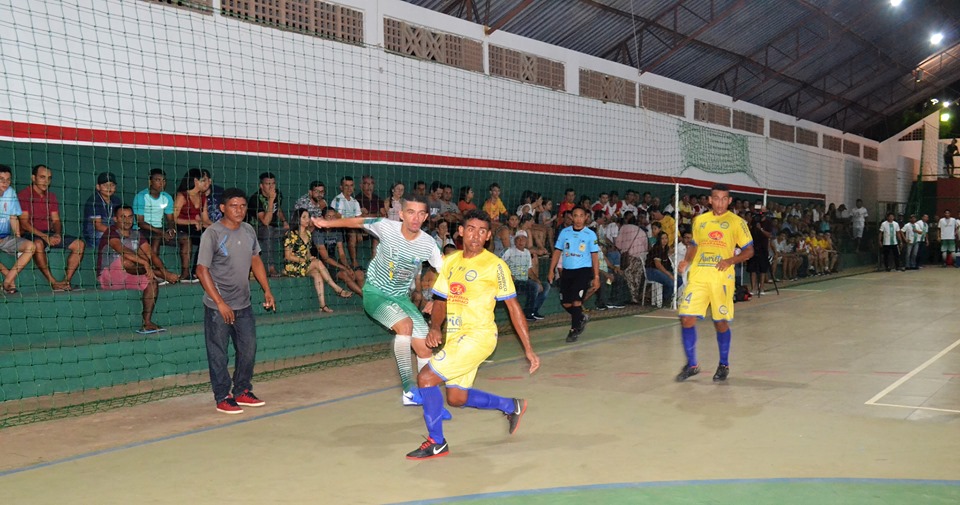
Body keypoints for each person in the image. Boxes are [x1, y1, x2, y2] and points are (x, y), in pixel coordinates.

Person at [406, 209, 540, 460]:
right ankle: (512, 406)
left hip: (480, 337)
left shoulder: (495, 266)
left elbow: (513, 307)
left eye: (481, 231)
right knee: (457, 398)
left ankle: (437, 442)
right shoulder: (450, 262)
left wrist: (528, 349)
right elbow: (440, 301)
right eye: (470, 229)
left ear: (489, 236)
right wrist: (435, 327)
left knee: (426, 379)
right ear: (461, 232)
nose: (475, 235)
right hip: (456, 336)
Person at [312, 194, 447, 408]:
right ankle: (409, 390)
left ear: (426, 217)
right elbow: (357, 221)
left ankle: (430, 401)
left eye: (421, 213)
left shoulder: (428, 244)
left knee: (424, 349)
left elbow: (446, 273)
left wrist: (439, 300)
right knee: (405, 326)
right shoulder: (386, 226)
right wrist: (327, 223)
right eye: (410, 212)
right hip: (375, 294)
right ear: (401, 214)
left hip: (401, 298)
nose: (416, 218)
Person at [196, 188, 275, 414]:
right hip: (218, 308)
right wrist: (220, 303)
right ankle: (223, 396)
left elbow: (255, 259)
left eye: (242, 206)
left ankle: (242, 391)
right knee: (218, 352)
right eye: (233, 206)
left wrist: (266, 290)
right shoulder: (212, 233)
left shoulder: (249, 230)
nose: (239, 210)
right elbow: (201, 270)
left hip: (244, 304)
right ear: (222, 208)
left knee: (248, 349)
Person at [676, 184, 754, 383]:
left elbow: (749, 250)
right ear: (709, 200)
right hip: (699, 276)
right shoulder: (699, 220)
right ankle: (692, 364)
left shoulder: (737, 222)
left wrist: (730, 260)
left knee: (720, 322)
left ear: (729, 201)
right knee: (686, 318)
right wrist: (687, 260)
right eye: (715, 198)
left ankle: (724, 364)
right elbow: (694, 245)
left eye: (723, 199)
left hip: (721, 278)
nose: (719, 202)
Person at [96, 205, 180, 332]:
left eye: (130, 217)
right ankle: (160, 274)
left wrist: (164, 271)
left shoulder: (136, 234)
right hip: (109, 277)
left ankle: (147, 322)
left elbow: (151, 254)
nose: (127, 220)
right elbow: (122, 250)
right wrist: (146, 264)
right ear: (115, 219)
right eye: (122, 217)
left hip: (130, 275)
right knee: (127, 259)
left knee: (152, 283)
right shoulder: (111, 232)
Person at [18, 164, 86, 291]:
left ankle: (66, 282)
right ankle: (54, 283)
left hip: (48, 233)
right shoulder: (24, 195)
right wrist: (44, 237)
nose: (46, 181)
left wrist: (57, 234)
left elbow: (56, 220)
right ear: (33, 178)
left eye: (49, 178)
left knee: (79, 244)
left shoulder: (51, 196)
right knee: (38, 244)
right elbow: (24, 224)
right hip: (30, 234)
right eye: (42, 177)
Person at [284, 208, 352, 313]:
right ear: (298, 219)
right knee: (318, 262)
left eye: (308, 217)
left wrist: (310, 257)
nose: (307, 220)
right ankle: (337, 289)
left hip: (304, 264)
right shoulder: (291, 234)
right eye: (304, 217)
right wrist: (303, 259)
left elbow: (307, 252)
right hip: (292, 265)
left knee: (317, 274)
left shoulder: (308, 234)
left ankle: (323, 306)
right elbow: (287, 256)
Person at [548, 206, 600, 343]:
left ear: (586, 217)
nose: (578, 219)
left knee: (576, 301)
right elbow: (557, 252)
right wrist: (551, 270)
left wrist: (596, 277)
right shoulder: (565, 232)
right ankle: (581, 317)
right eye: (575, 216)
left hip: (583, 271)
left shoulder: (590, 234)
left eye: (581, 216)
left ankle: (573, 330)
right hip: (567, 271)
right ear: (571, 217)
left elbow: (595, 256)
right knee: (566, 303)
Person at [313, 206, 365, 296]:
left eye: (334, 216)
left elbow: (341, 254)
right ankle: (364, 296)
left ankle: (366, 298)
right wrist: (344, 268)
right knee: (344, 274)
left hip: (333, 259)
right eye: (329, 217)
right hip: (320, 263)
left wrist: (348, 266)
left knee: (359, 274)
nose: (332, 219)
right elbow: (325, 258)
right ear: (323, 218)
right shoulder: (318, 233)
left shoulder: (336, 230)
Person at [0, 164, 36, 293]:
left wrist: (18, 236)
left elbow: (13, 216)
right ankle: (10, 283)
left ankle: (7, 281)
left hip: (5, 238)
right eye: (1, 179)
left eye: (8, 179)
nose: (5, 182)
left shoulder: (10, 192)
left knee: (31, 246)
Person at [247, 172, 289, 277]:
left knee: (293, 230)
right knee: (268, 230)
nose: (271, 187)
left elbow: (277, 209)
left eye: (273, 183)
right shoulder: (255, 199)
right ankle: (271, 268)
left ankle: (290, 265)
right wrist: (270, 200)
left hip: (273, 229)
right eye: (268, 184)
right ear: (261, 186)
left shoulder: (277, 194)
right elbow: (265, 222)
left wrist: (285, 222)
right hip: (256, 230)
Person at [502, 230, 550, 321]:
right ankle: (527, 313)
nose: (521, 241)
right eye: (518, 239)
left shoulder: (527, 253)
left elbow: (529, 270)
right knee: (534, 286)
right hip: (513, 282)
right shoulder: (509, 251)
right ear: (515, 241)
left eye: (523, 239)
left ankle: (534, 311)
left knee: (545, 286)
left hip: (525, 281)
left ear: (526, 241)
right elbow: (499, 263)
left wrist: (538, 281)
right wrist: (508, 275)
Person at [173, 168, 212, 282]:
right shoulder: (182, 196)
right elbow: (173, 219)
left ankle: (198, 270)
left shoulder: (202, 197)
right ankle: (188, 273)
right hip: (181, 226)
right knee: (200, 235)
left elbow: (206, 219)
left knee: (210, 235)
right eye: (203, 180)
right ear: (195, 181)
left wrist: (221, 227)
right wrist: (193, 221)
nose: (207, 183)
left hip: (195, 228)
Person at [133, 168, 177, 256]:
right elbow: (140, 223)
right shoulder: (141, 196)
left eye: (164, 180)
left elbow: (170, 220)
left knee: (185, 239)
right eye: (158, 180)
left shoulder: (167, 197)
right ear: (150, 181)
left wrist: (171, 229)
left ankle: (186, 270)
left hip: (159, 229)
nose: (162, 183)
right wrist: (161, 232)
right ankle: (153, 267)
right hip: (142, 230)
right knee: (156, 237)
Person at [330, 176, 364, 271]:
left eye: (351, 185)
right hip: (338, 228)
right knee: (353, 233)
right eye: (346, 186)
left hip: (351, 226)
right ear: (341, 187)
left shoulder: (355, 202)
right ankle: (354, 263)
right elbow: (337, 216)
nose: (349, 188)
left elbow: (359, 219)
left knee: (356, 232)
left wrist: (359, 231)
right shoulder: (338, 200)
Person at [82, 172, 122, 249]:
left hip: (112, 231)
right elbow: (98, 226)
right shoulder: (94, 201)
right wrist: (117, 233)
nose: (109, 188)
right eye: (105, 185)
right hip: (95, 234)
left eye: (112, 185)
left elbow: (119, 221)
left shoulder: (116, 200)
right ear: (98, 187)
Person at [645, 231, 681, 306]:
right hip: (652, 271)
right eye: (662, 238)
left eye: (666, 238)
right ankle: (665, 300)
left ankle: (666, 294)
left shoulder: (666, 248)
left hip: (662, 270)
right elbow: (658, 265)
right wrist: (669, 274)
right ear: (659, 239)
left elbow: (671, 251)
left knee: (680, 280)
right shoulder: (656, 249)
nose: (665, 240)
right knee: (671, 282)